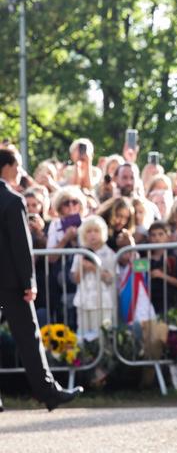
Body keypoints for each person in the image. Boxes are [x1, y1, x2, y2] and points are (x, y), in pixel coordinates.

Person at [0, 146, 82, 412]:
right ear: (8, 166)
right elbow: (21, 246)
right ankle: (48, 392)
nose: (20, 171)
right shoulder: (12, 200)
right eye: (18, 165)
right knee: (28, 338)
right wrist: (29, 282)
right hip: (12, 284)